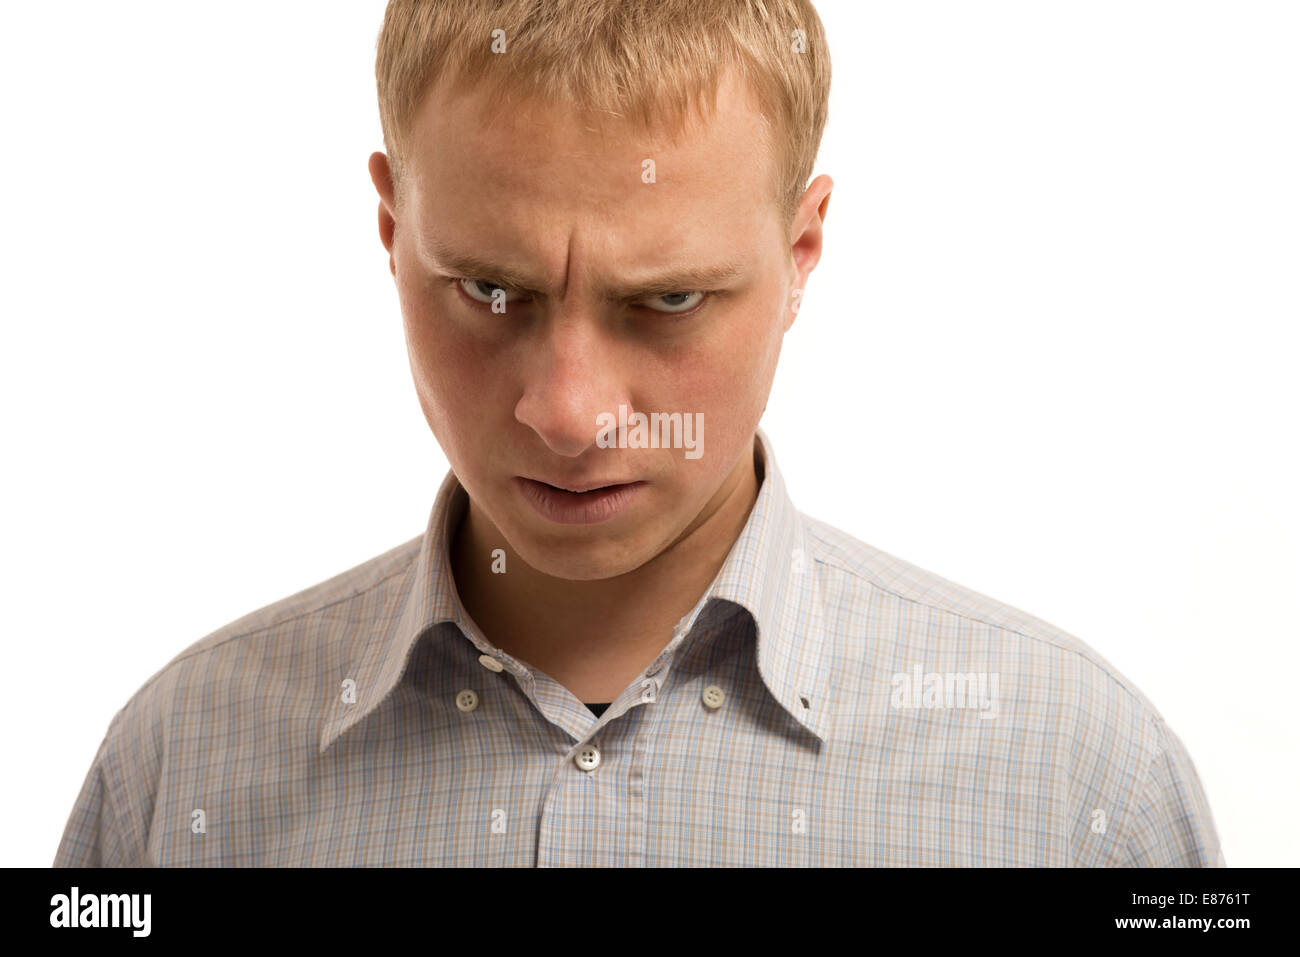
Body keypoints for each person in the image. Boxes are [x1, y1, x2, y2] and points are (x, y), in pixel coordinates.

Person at [54, 0, 1222, 867]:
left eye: (666, 301)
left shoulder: (1079, 784)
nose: (568, 415)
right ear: (389, 225)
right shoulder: (175, 773)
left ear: (802, 248)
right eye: (488, 290)